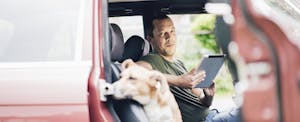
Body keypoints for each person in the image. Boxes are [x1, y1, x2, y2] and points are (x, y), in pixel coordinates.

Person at [136, 14, 215, 122]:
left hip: (212, 115)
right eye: (163, 33)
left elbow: (201, 99)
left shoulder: (178, 62)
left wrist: (209, 96)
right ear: (150, 39)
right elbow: (135, 72)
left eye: (172, 31)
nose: (170, 37)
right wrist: (178, 81)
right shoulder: (151, 59)